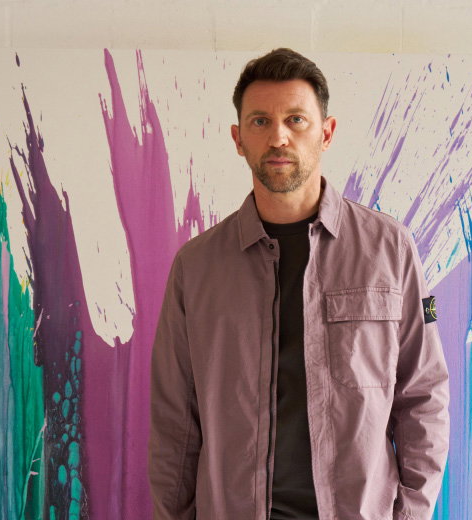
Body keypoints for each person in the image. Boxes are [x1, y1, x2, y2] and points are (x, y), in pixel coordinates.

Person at [149, 48, 449, 520]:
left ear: (326, 132)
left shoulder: (393, 249)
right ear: (238, 138)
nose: (279, 137)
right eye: (260, 122)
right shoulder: (195, 267)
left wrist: (411, 514)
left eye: (296, 119)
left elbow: (425, 393)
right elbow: (174, 423)